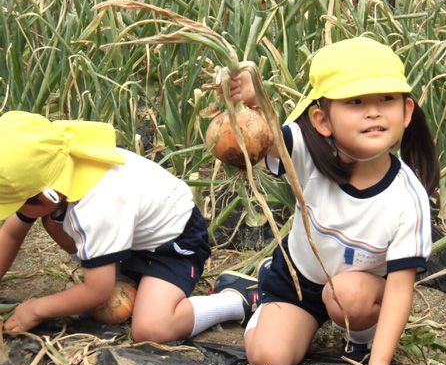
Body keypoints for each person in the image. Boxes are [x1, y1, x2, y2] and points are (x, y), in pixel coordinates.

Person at [216, 37, 440, 365]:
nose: (374, 111)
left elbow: (399, 289)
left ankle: (361, 343)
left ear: (407, 111)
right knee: (266, 361)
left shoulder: (407, 197)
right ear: (322, 120)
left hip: (359, 289)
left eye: (386, 99)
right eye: (354, 102)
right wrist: (253, 101)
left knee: (347, 293)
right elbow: (269, 135)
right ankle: (252, 299)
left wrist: (380, 363)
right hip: (299, 278)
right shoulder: (307, 150)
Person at [0, 111, 259, 342]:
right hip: (132, 232)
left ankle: (236, 299)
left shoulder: (97, 205)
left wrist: (35, 308)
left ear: (47, 195)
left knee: (151, 329)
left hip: (173, 243)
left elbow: (97, 291)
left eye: (17, 204)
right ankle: (119, 274)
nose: (15, 212)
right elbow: (10, 232)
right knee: (52, 221)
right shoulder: (58, 163)